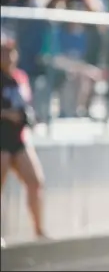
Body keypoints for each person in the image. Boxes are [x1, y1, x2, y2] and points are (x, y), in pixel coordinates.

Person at [1, 41, 46, 247]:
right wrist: (6, 114)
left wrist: (29, 117)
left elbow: (26, 104)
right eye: (4, 52)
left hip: (19, 138)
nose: (8, 56)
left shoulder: (20, 77)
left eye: (11, 52)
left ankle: (39, 231)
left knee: (35, 181)